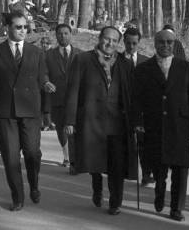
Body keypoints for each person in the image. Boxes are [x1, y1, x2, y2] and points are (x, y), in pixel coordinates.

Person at [0, 11, 54, 211]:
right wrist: (4, 99)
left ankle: (34, 184)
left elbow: (43, 77)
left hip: (30, 111)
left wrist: (47, 84)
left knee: (32, 153)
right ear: (7, 28)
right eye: (18, 27)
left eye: (25, 27)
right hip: (6, 113)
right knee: (11, 157)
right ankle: (18, 197)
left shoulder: (36, 53)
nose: (23, 31)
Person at [64, 26, 137, 215]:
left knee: (117, 164)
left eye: (114, 40)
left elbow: (131, 95)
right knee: (95, 161)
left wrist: (136, 120)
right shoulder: (82, 60)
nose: (110, 43)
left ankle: (115, 202)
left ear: (118, 43)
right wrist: (70, 120)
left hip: (117, 123)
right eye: (106, 39)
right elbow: (72, 91)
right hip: (92, 121)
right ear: (99, 38)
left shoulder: (124, 63)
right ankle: (97, 187)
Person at [133, 29, 189, 222]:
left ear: (174, 45)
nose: (165, 45)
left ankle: (177, 208)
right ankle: (159, 192)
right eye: (161, 42)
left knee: (180, 170)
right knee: (159, 167)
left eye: (169, 42)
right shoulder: (143, 69)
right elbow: (136, 100)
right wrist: (137, 123)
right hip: (154, 126)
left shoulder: (186, 68)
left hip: (180, 125)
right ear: (155, 44)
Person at [44, 24, 83, 167]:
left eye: (66, 33)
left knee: (76, 129)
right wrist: (46, 82)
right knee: (61, 129)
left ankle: (76, 158)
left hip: (77, 99)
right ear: (56, 36)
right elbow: (44, 72)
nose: (63, 36)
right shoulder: (48, 55)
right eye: (60, 34)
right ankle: (67, 156)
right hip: (57, 98)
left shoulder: (80, 54)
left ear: (71, 34)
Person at [121, 27, 152, 186]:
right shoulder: (117, 60)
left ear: (138, 43)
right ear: (124, 42)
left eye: (134, 43)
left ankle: (146, 173)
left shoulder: (146, 61)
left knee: (143, 143)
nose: (131, 46)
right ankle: (127, 171)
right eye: (128, 43)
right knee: (125, 143)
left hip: (141, 110)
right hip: (123, 108)